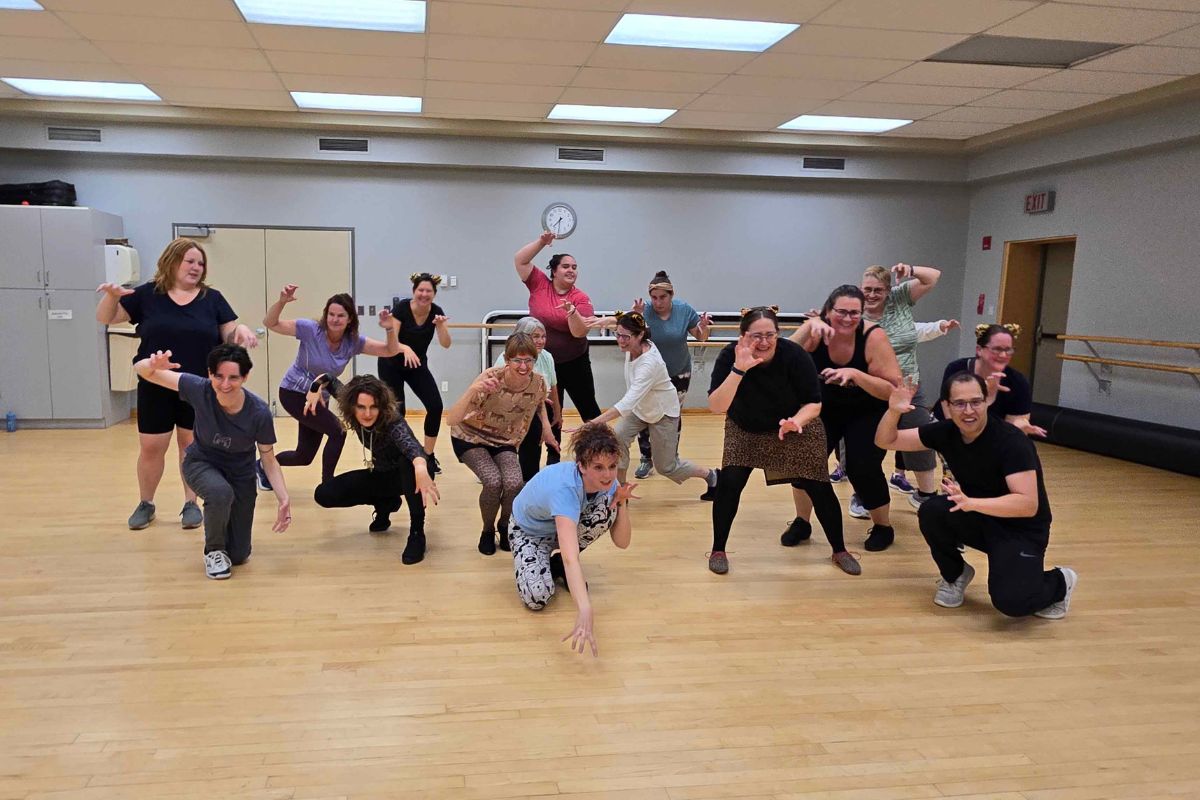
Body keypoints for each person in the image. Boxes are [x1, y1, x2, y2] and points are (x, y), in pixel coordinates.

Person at [876, 372, 1077, 619]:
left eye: (976, 402)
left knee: (1012, 603)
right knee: (933, 511)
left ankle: (1059, 582)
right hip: (978, 516)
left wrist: (972, 503)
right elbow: (886, 440)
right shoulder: (946, 431)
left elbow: (1027, 505)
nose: (968, 410)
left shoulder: (1011, 442)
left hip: (1021, 529)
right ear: (946, 406)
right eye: (959, 403)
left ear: (986, 402)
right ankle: (955, 574)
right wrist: (894, 411)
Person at [96, 237, 258, 532]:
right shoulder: (147, 294)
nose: (196, 267)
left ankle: (190, 503)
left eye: (201, 263)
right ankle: (146, 503)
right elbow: (106, 317)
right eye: (190, 261)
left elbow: (230, 332)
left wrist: (242, 329)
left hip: (196, 387)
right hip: (155, 383)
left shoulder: (212, 298)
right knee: (151, 447)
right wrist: (111, 296)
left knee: (192, 446)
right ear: (172, 261)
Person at [708, 307, 862, 576]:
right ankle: (718, 549)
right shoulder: (729, 356)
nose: (764, 342)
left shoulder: (794, 355)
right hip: (745, 427)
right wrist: (738, 370)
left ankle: (839, 549)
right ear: (743, 336)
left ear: (778, 335)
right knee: (730, 483)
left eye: (770, 335)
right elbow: (716, 405)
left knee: (818, 485)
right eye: (757, 336)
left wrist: (797, 422)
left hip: (794, 424)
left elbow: (814, 404)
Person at [133, 345, 289, 580]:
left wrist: (283, 497)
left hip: (240, 474)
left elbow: (268, 458)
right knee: (219, 492)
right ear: (210, 374)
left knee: (239, 555)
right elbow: (142, 371)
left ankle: (225, 539)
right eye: (219, 376)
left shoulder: (259, 413)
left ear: (245, 377)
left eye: (233, 378)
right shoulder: (199, 389)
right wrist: (151, 364)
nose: (225, 384)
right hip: (200, 463)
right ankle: (213, 551)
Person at [789, 286, 902, 551]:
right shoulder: (816, 333)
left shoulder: (873, 337)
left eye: (855, 313)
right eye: (841, 311)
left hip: (867, 409)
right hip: (824, 407)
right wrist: (809, 326)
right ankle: (801, 521)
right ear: (828, 310)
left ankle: (883, 526)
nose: (848, 318)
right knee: (804, 462)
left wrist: (856, 374)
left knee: (862, 467)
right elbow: (783, 354)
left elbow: (892, 390)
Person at [509, 422, 636, 657]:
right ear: (582, 466)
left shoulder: (609, 483)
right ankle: (539, 560)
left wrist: (622, 502)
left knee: (604, 512)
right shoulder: (565, 489)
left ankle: (551, 563)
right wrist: (585, 608)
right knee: (537, 597)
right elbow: (571, 558)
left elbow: (622, 542)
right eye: (598, 467)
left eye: (612, 466)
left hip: (560, 529)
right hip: (529, 531)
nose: (607, 475)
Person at [261, 285, 402, 487]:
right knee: (338, 431)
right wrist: (282, 301)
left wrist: (390, 328)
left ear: (350, 319)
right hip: (293, 392)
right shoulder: (310, 330)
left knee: (304, 456)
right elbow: (270, 323)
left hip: (319, 398)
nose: (334, 319)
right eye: (331, 314)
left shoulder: (352, 342)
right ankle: (328, 485)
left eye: (340, 315)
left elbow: (390, 350)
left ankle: (261, 466)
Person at [583, 312, 718, 499]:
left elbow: (627, 403)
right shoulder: (634, 339)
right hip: (641, 408)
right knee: (617, 439)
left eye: (625, 337)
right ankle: (619, 492)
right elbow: (623, 324)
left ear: (640, 336)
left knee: (667, 467)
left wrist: (593, 423)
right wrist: (607, 321)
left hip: (663, 411)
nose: (620, 340)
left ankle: (712, 476)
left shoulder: (649, 363)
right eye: (618, 335)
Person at [312, 374, 440, 565]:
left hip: (413, 473)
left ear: (382, 406)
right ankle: (386, 504)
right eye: (361, 407)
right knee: (324, 494)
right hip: (383, 474)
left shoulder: (392, 420)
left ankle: (417, 533)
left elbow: (410, 445)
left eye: (374, 407)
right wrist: (314, 389)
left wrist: (421, 465)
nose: (368, 414)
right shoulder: (352, 406)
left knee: (407, 462)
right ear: (351, 405)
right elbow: (328, 378)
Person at [448, 333, 557, 556]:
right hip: (469, 435)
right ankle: (487, 531)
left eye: (529, 360)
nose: (524, 366)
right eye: (517, 360)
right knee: (493, 481)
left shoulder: (538, 381)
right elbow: (451, 419)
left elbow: (538, 403)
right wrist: (473, 389)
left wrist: (546, 428)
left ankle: (504, 525)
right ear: (507, 360)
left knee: (514, 482)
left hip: (504, 439)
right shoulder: (491, 378)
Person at [860, 262, 943, 511]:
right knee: (865, 444)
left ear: (889, 290)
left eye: (878, 290)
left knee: (919, 435)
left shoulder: (901, 297)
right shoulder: (855, 308)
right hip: (871, 388)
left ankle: (926, 495)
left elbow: (933, 276)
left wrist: (910, 269)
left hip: (908, 386)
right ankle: (863, 495)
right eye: (867, 289)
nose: (872, 295)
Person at [513, 232, 601, 461]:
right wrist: (542, 242)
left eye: (574, 267)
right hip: (541, 361)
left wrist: (572, 312)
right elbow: (520, 260)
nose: (571, 270)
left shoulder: (580, 297)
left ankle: (601, 455)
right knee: (549, 410)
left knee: (588, 408)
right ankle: (552, 459)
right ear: (554, 271)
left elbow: (579, 332)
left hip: (574, 362)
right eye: (565, 266)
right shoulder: (539, 283)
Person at [627, 271, 711, 479]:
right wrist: (635, 318)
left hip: (678, 371)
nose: (658, 302)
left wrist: (703, 328)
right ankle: (647, 458)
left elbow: (701, 337)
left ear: (671, 295)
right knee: (645, 413)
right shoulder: (644, 310)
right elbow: (632, 339)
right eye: (654, 297)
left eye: (662, 297)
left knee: (672, 416)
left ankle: (670, 455)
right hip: (648, 374)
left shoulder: (684, 310)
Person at [378, 272, 452, 474]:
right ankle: (397, 455)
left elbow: (446, 344)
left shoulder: (436, 312)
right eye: (421, 290)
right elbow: (391, 340)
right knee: (396, 412)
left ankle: (428, 455)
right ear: (414, 291)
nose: (424, 294)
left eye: (428, 291)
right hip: (391, 362)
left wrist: (441, 326)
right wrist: (406, 348)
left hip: (416, 365)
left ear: (434, 294)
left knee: (436, 406)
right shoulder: (402, 308)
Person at [939, 324, 1047, 437]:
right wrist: (987, 394)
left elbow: (1017, 422)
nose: (1003, 355)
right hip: (952, 434)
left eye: (1008, 350)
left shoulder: (1018, 382)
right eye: (997, 349)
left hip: (995, 438)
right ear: (979, 350)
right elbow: (953, 421)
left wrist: (1019, 425)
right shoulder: (956, 369)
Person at [492, 316, 562, 481]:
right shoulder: (505, 359)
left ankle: (553, 464)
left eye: (543, 336)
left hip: (541, 404)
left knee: (553, 417)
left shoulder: (547, 357)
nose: (540, 341)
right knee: (533, 429)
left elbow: (553, 387)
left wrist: (558, 413)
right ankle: (528, 476)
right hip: (513, 408)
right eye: (535, 336)